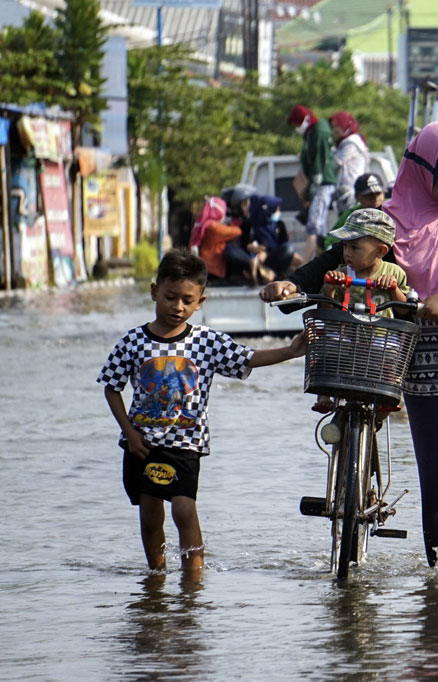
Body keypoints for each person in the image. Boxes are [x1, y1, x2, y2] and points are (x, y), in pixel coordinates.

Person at [260, 121, 438, 566]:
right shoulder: (389, 221)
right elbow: (339, 257)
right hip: (426, 385)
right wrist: (290, 283)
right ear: (422, 169)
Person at [98, 250, 306, 575]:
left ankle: (193, 578)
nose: (177, 307)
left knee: (183, 509)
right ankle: (155, 577)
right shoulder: (133, 342)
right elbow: (111, 387)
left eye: (186, 300)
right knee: (150, 514)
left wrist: (291, 351)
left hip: (186, 444)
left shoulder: (206, 342)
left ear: (200, 302)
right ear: (155, 292)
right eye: (169, 297)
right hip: (142, 444)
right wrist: (128, 430)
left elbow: (247, 358)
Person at [311, 208, 410, 413]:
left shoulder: (394, 273)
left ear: (381, 251)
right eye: (345, 246)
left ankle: (387, 396)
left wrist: (393, 289)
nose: (347, 253)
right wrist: (330, 288)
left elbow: (404, 311)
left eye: (354, 247)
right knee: (328, 342)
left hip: (379, 338)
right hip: (347, 337)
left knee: (393, 351)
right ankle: (324, 393)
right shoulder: (340, 273)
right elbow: (325, 312)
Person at [287, 105, 338, 262]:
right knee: (318, 226)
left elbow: (318, 167)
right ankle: (318, 261)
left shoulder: (319, 132)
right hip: (320, 183)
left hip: (323, 183)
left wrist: (309, 194)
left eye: (297, 124)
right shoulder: (312, 133)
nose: (297, 129)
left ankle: (308, 264)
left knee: (314, 226)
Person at [324, 172, 386, 251]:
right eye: (369, 195)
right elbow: (331, 239)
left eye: (378, 193)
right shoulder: (352, 215)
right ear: (357, 197)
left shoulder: (392, 209)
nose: (375, 198)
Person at [189, 197, 242, 283]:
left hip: (207, 269)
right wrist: (232, 222)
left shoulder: (204, 225)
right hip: (213, 270)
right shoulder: (213, 227)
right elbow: (237, 232)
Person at [328, 111, 371, 212]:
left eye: (337, 126)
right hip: (347, 191)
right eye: (333, 127)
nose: (334, 130)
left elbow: (335, 162)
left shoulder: (351, 143)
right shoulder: (344, 143)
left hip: (351, 191)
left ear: (345, 124)